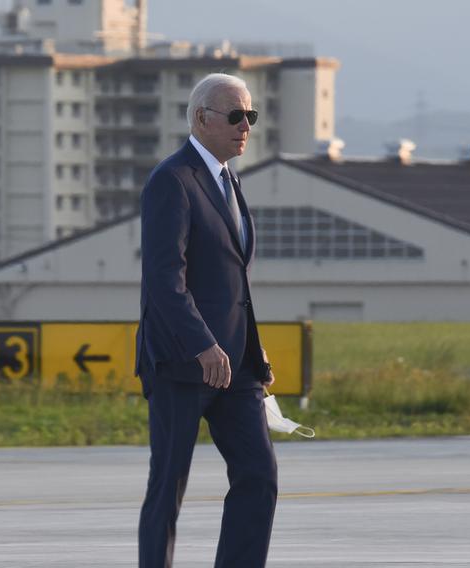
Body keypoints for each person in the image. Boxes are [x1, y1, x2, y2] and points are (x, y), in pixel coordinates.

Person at [134, 73, 277, 568]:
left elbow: (231, 281)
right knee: (168, 487)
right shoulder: (172, 180)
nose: (245, 127)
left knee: (259, 476)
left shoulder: (229, 181)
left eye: (250, 117)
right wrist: (202, 345)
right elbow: (163, 279)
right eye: (235, 116)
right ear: (201, 118)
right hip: (181, 362)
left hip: (236, 366)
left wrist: (251, 348)